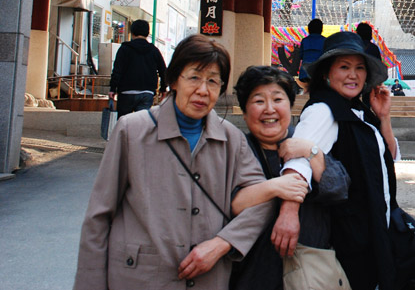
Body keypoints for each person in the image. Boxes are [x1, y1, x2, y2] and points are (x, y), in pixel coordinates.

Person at [74, 34, 272, 290]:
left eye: (213, 81)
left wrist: (223, 243)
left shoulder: (231, 139)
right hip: (140, 277)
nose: (203, 90)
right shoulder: (131, 131)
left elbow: (262, 201)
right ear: (175, 79)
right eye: (194, 77)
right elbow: (99, 216)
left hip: (207, 279)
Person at [281, 31, 404, 290]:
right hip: (344, 239)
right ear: (327, 73)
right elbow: (297, 162)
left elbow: (388, 159)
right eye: (344, 67)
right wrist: (288, 213)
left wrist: (383, 117)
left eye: (360, 68)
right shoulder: (322, 110)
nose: (353, 75)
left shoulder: (359, 111)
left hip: (371, 229)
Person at [229, 65, 350, 290]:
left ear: (291, 105)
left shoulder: (309, 142)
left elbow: (339, 187)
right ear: (244, 112)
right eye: (258, 101)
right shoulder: (236, 151)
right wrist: (277, 187)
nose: (269, 109)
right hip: (253, 274)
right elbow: (229, 204)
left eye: (277, 99)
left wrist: (311, 151)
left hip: (309, 275)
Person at [108, 19, 167, 117]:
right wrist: (163, 88)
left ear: (132, 32)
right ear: (147, 33)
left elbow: (117, 70)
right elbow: (163, 70)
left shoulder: (124, 49)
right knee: (142, 124)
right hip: (147, 92)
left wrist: (113, 88)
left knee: (124, 123)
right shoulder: (154, 51)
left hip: (126, 92)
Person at [298, 18, 326, 84]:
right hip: (319, 72)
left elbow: (301, 56)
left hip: (305, 72)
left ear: (309, 29)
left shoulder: (305, 40)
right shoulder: (325, 41)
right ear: (321, 29)